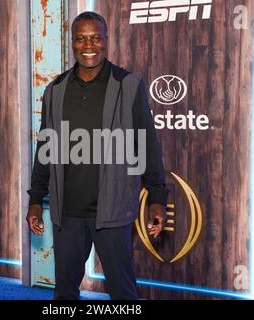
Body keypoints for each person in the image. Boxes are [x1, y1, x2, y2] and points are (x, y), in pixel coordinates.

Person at [26, 11, 169, 300]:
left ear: (106, 41)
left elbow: (147, 144)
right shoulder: (55, 90)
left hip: (113, 211)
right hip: (67, 212)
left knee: (123, 292)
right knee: (64, 292)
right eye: (80, 38)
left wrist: (157, 197)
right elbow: (45, 149)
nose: (88, 45)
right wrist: (35, 200)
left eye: (95, 38)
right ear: (72, 43)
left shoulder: (128, 85)